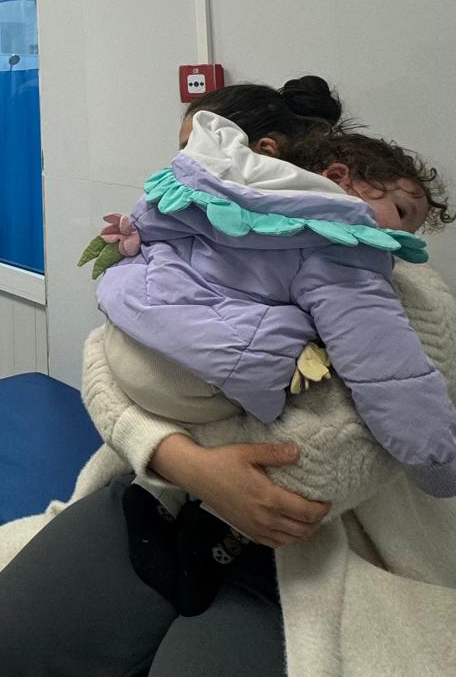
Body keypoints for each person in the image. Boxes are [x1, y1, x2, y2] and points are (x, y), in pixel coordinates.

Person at [0, 79, 456, 677]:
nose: (192, 164)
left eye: (195, 147)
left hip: (300, 539)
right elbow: (106, 356)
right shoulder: (203, 223)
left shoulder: (399, 291)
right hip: (164, 486)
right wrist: (182, 462)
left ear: (265, 154)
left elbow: (372, 431)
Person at [86, 111, 456, 506]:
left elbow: (150, 230)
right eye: (401, 213)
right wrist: (437, 463)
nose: (398, 240)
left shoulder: (219, 186)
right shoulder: (343, 246)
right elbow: (384, 360)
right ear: (338, 178)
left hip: (126, 338)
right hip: (192, 381)